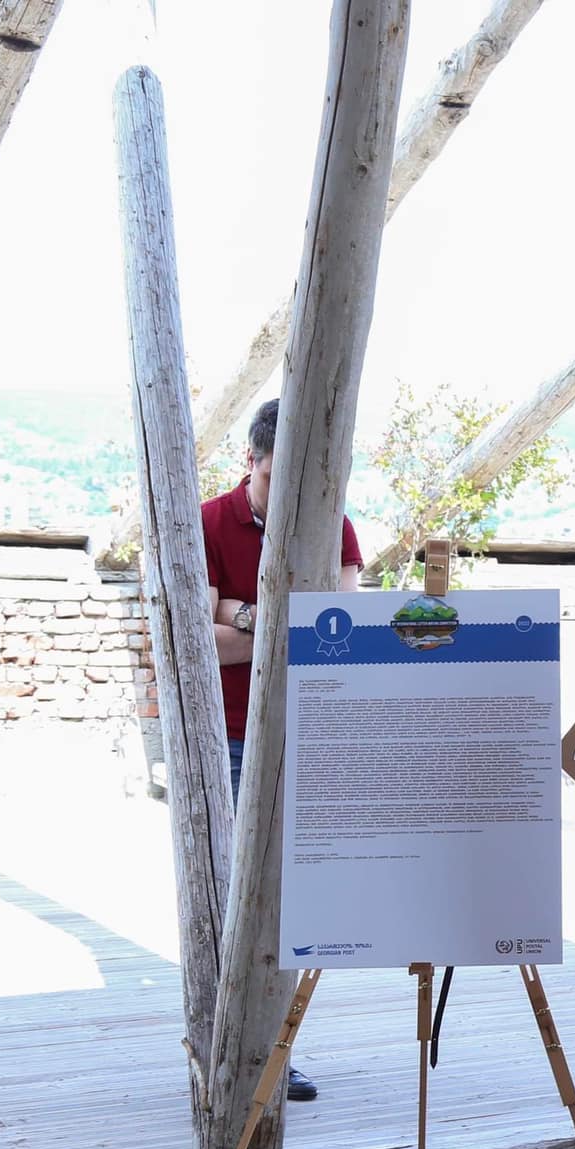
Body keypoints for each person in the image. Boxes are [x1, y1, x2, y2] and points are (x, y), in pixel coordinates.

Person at [203, 396, 363, 1104]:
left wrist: (240, 615)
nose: (288, 493)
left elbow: (341, 637)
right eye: (275, 477)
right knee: (233, 897)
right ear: (252, 459)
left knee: (291, 906)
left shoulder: (337, 525)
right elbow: (200, 640)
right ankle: (224, 1044)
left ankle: (275, 1049)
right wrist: (286, 622)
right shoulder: (209, 522)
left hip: (311, 736)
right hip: (231, 736)